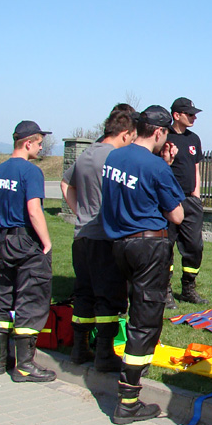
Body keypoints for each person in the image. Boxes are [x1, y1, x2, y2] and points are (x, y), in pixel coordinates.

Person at [100, 105, 185, 425]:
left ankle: (109, 363)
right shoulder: (156, 167)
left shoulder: (114, 157)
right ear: (161, 132)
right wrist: (166, 168)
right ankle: (129, 400)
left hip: (118, 244)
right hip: (148, 245)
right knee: (144, 320)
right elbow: (176, 214)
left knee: (127, 307)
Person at [60, 106, 138, 372]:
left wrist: (79, 211)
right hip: (104, 237)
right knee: (108, 296)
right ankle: (104, 353)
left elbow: (65, 184)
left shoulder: (86, 154)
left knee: (84, 293)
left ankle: (79, 348)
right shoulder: (116, 158)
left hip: (81, 236)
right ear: (126, 134)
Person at [0, 120, 56, 383]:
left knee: (3, 297)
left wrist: (0, 234)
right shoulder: (30, 172)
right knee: (32, 299)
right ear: (27, 143)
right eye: (39, 143)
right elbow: (33, 209)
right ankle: (25, 366)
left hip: (4, 239)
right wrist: (46, 242)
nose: (40, 148)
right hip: (26, 241)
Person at [166, 97, 207, 306]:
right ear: (176, 115)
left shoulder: (194, 139)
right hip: (170, 200)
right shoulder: (164, 135)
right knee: (167, 245)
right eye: (190, 114)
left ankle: (188, 288)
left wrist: (196, 196)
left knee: (194, 246)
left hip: (191, 200)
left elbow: (196, 168)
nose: (194, 117)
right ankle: (166, 291)